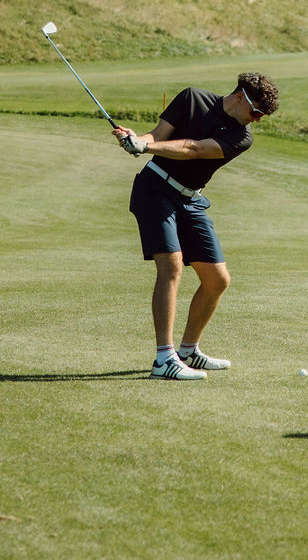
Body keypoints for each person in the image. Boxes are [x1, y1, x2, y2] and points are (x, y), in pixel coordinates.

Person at [113, 72, 279, 381]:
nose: (257, 120)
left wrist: (144, 148)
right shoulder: (192, 98)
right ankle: (164, 359)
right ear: (240, 96)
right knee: (171, 266)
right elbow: (157, 135)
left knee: (218, 279)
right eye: (256, 112)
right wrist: (138, 140)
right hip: (155, 190)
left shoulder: (242, 137)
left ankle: (188, 351)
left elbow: (195, 149)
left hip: (190, 200)